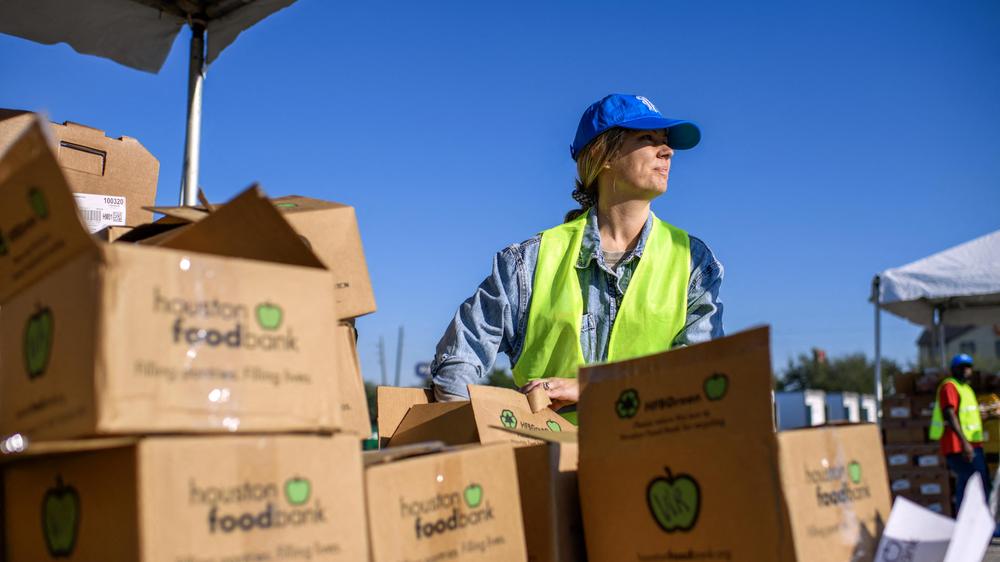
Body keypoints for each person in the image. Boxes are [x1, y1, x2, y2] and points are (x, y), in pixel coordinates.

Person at [430, 93, 725, 422]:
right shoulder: (527, 263)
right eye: (647, 138)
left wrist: (592, 387)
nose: (667, 151)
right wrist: (475, 437)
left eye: (666, 142)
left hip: (652, 463)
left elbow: (700, 376)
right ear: (606, 155)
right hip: (548, 464)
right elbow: (458, 359)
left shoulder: (693, 262)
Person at [930, 353, 990, 511]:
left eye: (968, 367)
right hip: (959, 446)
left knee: (973, 482)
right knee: (972, 483)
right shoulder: (950, 386)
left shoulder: (967, 389)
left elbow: (966, 415)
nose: (966, 370)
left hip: (973, 444)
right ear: (953, 369)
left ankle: (972, 522)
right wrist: (964, 443)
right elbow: (949, 414)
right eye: (961, 367)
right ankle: (967, 521)